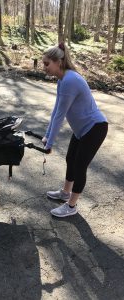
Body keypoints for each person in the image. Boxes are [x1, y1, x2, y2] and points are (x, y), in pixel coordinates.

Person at [42, 42, 108, 218]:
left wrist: (49, 143)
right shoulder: (62, 80)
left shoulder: (70, 80)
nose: (44, 67)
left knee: (79, 166)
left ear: (59, 62)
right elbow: (56, 110)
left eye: (47, 63)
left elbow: (60, 116)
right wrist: (47, 136)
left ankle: (71, 206)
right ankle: (65, 192)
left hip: (95, 128)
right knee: (71, 158)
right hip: (83, 129)